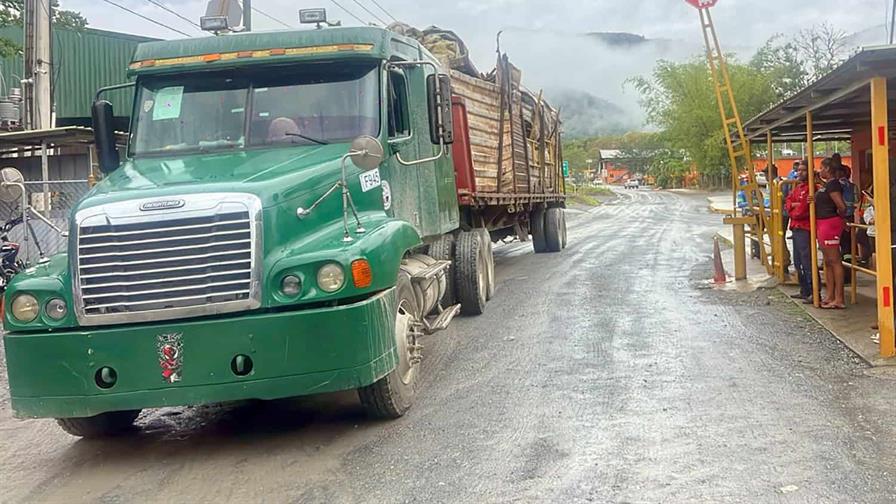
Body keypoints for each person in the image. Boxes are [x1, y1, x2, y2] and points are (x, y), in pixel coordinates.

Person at [812, 158, 848, 309]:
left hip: (829, 223)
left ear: (827, 168)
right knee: (828, 261)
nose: (820, 170)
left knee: (834, 260)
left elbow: (841, 206)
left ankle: (839, 298)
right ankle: (830, 295)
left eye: (821, 168)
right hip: (823, 223)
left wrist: (839, 218)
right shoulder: (827, 185)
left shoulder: (833, 184)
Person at [785, 161, 813, 301]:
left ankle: (813, 291)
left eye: (803, 170)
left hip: (804, 228)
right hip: (796, 228)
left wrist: (794, 208)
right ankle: (804, 290)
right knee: (798, 262)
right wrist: (794, 206)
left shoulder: (811, 189)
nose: (799, 172)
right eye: (798, 170)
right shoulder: (797, 188)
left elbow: (801, 211)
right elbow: (787, 203)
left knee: (806, 261)